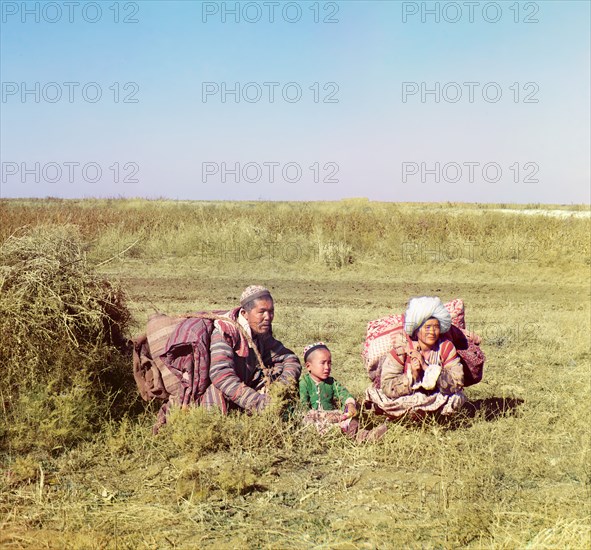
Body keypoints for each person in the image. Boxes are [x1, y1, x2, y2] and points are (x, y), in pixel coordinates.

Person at [200, 285, 302, 413]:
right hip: (226, 394)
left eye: (271, 311)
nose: (268, 317)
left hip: (247, 389)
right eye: (262, 312)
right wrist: (258, 402)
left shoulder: (260, 332)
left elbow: (289, 357)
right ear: (244, 314)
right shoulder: (225, 332)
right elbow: (220, 374)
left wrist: (281, 386)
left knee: (279, 370)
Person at [365, 296, 466, 419]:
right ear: (416, 330)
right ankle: (417, 415)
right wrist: (412, 376)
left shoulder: (445, 347)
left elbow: (457, 381)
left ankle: (419, 415)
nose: (432, 332)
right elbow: (387, 385)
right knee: (387, 400)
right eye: (427, 327)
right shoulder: (402, 348)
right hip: (407, 397)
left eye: (436, 327)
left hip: (437, 397)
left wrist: (426, 367)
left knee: (456, 398)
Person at [300, 342, 387, 441]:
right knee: (308, 422)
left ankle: (365, 435)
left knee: (353, 410)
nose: (327, 367)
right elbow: (303, 407)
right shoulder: (304, 382)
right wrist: (323, 416)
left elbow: (343, 393)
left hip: (335, 417)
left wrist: (350, 404)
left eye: (329, 363)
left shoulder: (331, 382)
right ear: (308, 366)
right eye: (322, 363)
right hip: (315, 419)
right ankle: (359, 435)